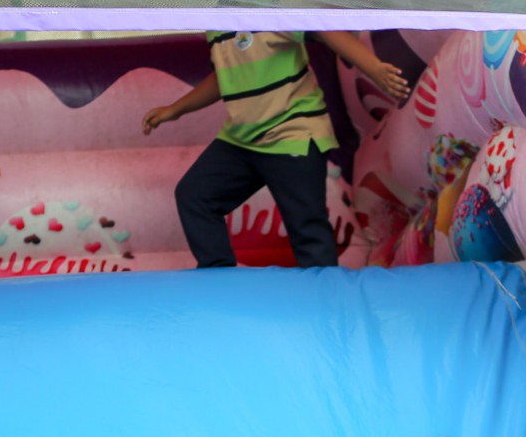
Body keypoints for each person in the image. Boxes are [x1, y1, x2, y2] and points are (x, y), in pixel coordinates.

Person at [142, 31, 409, 269]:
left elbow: (325, 30)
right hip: (242, 140)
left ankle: (326, 300)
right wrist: (175, 109)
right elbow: (224, 77)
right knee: (195, 195)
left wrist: (374, 68)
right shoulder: (217, 27)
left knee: (307, 228)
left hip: (292, 133)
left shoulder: (268, 10)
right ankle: (219, 279)